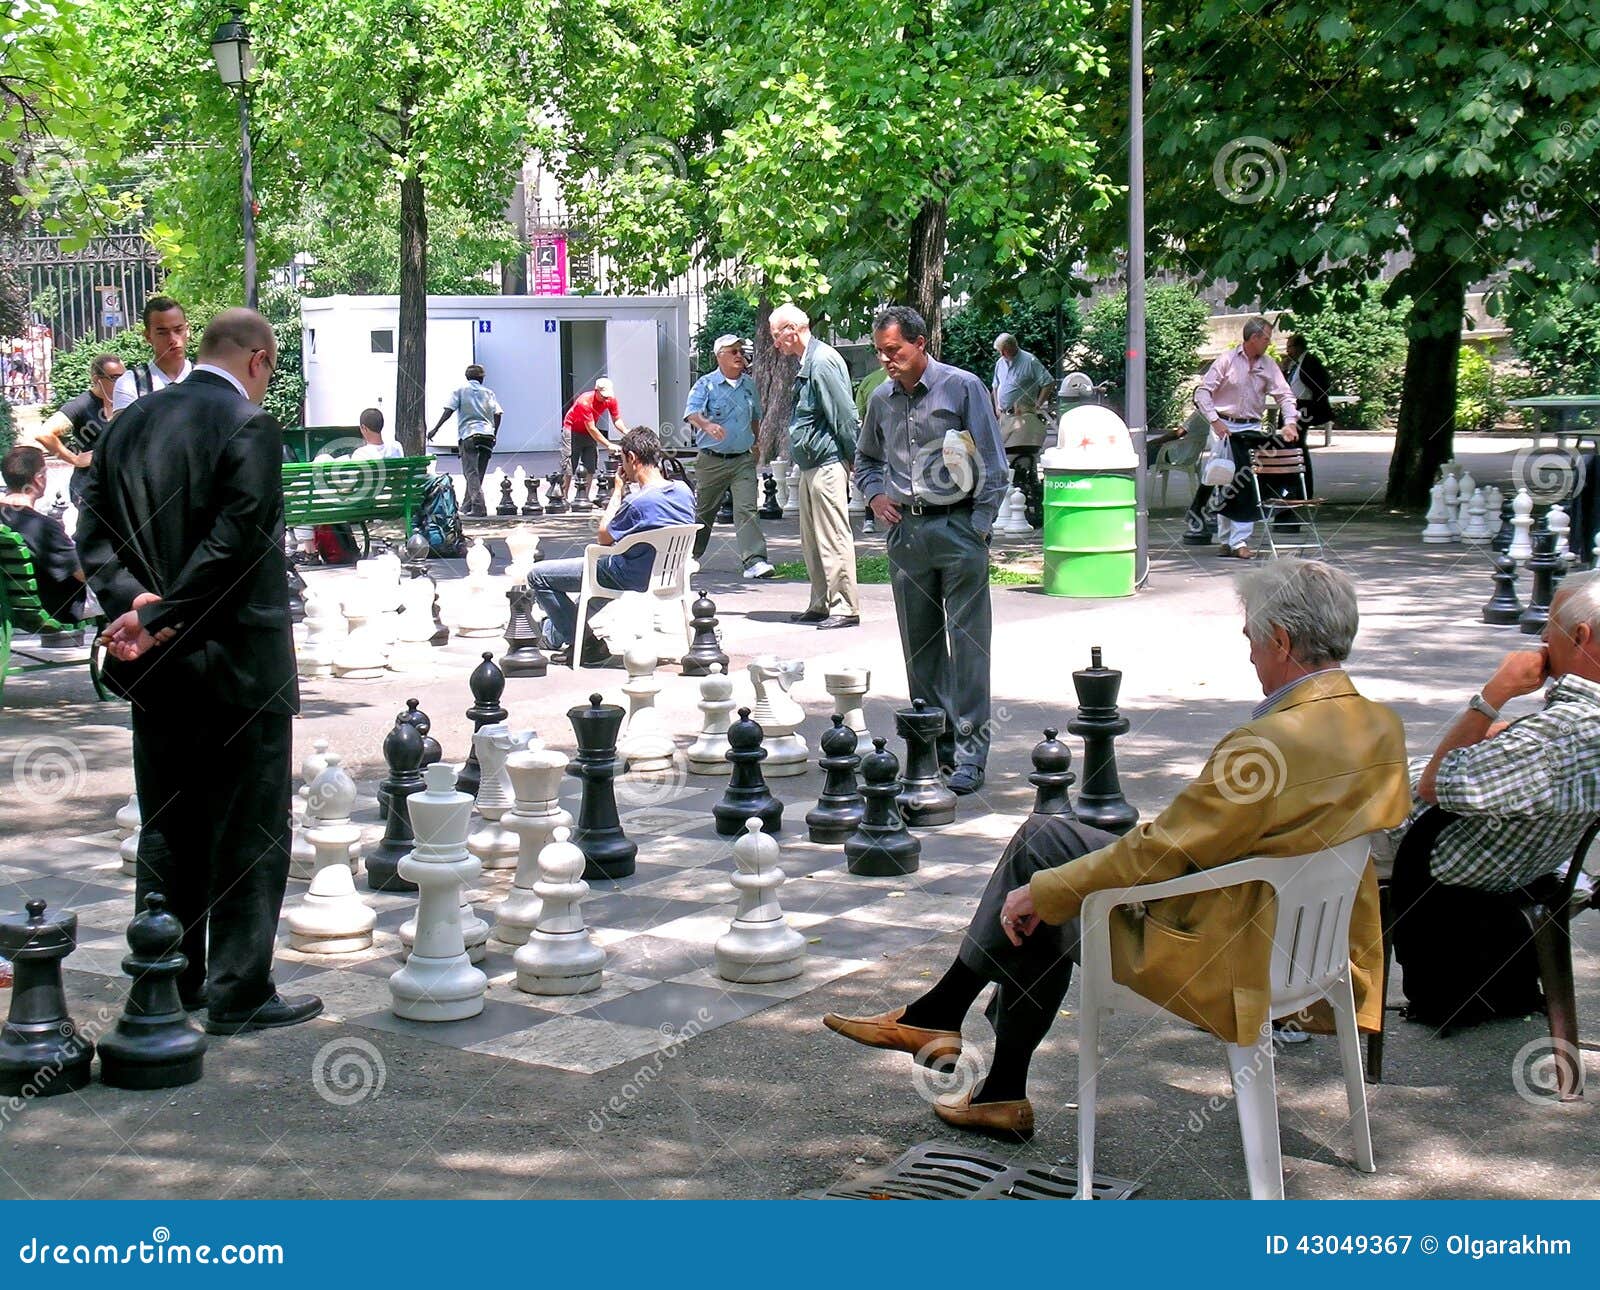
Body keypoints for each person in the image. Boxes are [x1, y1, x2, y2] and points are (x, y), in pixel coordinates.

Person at [824, 560, 1410, 1137]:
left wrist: (1048, 890)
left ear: (1281, 640)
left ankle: (962, 1040)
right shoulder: (1381, 726)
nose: (1250, 653)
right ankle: (970, 1054)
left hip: (1230, 950)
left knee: (1042, 887)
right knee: (1047, 852)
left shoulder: (1265, 743)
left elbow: (1162, 855)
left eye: (1252, 638)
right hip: (1316, 944)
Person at [77, 307, 322, 1037]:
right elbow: (238, 540)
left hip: (154, 668)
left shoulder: (125, 424)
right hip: (239, 661)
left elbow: (91, 528)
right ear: (256, 359)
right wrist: (164, 611)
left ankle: (169, 978)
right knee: (250, 824)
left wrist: (134, 606)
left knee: (170, 820)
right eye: (271, 371)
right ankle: (239, 991)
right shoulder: (250, 426)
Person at [1390, 570, 1600, 1028]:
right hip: (1521, 858)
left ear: (1581, 636)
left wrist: (1495, 693)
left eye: (1551, 625)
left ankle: (1289, 1000)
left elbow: (1434, 783)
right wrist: (1502, 732)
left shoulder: (1562, 732)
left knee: (1293, 829)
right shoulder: (1578, 724)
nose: (1543, 635)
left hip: (1434, 852)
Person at [856, 305, 1008, 794]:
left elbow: (993, 461)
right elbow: (866, 456)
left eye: (894, 351)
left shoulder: (963, 387)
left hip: (959, 528)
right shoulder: (881, 399)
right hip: (908, 534)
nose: (886, 361)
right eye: (881, 352)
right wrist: (875, 494)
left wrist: (979, 527)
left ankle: (970, 755)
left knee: (967, 648)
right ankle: (932, 749)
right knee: (920, 650)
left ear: (921, 343)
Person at [525, 426, 695, 667]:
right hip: (667, 574)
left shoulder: (637, 501)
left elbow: (603, 536)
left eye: (623, 460)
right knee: (588, 590)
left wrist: (617, 492)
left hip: (625, 574)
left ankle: (588, 645)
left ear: (632, 458)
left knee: (538, 576)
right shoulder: (684, 491)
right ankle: (554, 635)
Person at [769, 304, 858, 625]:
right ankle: (821, 602)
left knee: (832, 536)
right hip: (811, 465)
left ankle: (845, 606)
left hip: (827, 462)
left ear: (792, 329)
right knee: (812, 538)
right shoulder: (810, 360)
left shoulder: (823, 362)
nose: (776, 343)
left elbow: (844, 415)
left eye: (777, 335)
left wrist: (855, 458)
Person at [1192, 316, 1299, 559]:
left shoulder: (1268, 364)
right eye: (1266, 339)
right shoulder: (1227, 360)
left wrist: (1291, 422)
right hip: (1224, 426)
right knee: (1223, 480)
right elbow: (1203, 393)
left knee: (1245, 482)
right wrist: (1215, 422)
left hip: (1250, 428)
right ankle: (1226, 539)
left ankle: (1239, 541)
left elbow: (1285, 395)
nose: (1268, 343)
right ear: (1253, 338)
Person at [684, 333, 774, 580]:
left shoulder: (749, 385)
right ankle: (688, 556)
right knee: (705, 510)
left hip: (742, 459)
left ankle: (755, 561)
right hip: (712, 460)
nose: (739, 356)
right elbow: (692, 413)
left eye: (740, 351)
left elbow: (755, 416)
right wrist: (706, 425)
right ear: (719, 356)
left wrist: (757, 443)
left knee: (747, 508)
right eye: (733, 351)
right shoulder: (706, 384)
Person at [0, 445, 88, 623]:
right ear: (39, 479)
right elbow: (84, 575)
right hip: (60, 607)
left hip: (14, 606)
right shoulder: (44, 527)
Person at [28, 353, 125, 504]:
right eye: (114, 378)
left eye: (123, 377)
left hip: (120, 485)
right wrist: (75, 459)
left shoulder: (127, 401)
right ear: (96, 379)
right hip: (90, 487)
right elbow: (44, 434)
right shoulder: (82, 405)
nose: (120, 382)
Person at [430, 364, 502, 517]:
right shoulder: (489, 393)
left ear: (467, 377)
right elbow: (498, 414)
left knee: (471, 473)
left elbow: (448, 411)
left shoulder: (460, 391)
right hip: (487, 436)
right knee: (478, 473)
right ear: (482, 378)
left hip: (469, 435)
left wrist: (436, 428)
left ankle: (479, 507)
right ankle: (466, 505)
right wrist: (494, 433)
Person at [110, 296, 192, 413]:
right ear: (148, 336)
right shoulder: (130, 383)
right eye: (162, 333)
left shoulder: (208, 379)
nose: (173, 339)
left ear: (187, 330)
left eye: (178, 330)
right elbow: (124, 430)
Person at [562, 377, 628, 505]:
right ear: (596, 391)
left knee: (590, 465)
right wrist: (608, 444)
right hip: (572, 429)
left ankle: (583, 498)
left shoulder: (610, 400)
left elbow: (616, 420)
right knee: (569, 465)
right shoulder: (584, 401)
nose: (606, 399)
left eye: (608, 396)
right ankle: (563, 498)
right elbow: (591, 428)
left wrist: (625, 431)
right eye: (603, 396)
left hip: (588, 431)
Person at [1281, 333, 1330, 496]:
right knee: (1291, 447)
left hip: (1303, 408)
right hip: (1293, 407)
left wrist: (1314, 406)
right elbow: (1288, 386)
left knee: (1296, 446)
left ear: (1299, 347)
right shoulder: (1295, 364)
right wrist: (1284, 370)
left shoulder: (1309, 361)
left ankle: (1303, 489)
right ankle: (1294, 487)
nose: (1288, 351)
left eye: (1290, 347)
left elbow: (1322, 384)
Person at [990, 333, 1054, 417]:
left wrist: (1037, 406)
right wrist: (997, 407)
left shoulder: (1030, 361)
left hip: (1023, 415)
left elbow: (1048, 383)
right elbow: (995, 386)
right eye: (999, 351)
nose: (1001, 354)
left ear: (1013, 346)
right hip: (1003, 415)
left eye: (1004, 350)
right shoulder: (1000, 362)